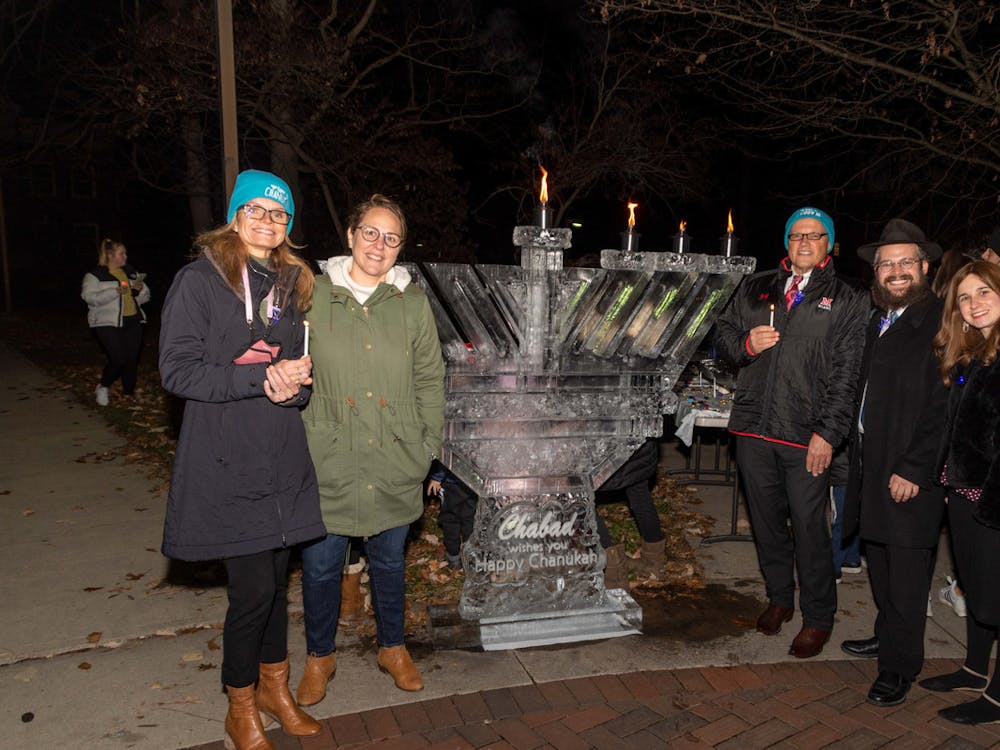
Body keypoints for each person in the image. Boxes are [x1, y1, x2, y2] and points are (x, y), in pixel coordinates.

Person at [159, 169, 326, 750]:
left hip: (281, 452)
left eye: (279, 214)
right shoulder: (199, 281)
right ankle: (239, 704)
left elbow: (298, 369)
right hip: (227, 457)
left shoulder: (288, 284)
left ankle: (276, 690)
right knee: (253, 590)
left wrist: (296, 386)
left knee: (279, 585)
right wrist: (257, 378)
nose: (268, 221)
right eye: (256, 210)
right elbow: (176, 371)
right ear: (235, 215)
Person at [297, 194, 445, 704]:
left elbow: (430, 378)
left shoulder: (412, 304)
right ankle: (320, 656)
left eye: (391, 237)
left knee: (388, 561)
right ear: (351, 235)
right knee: (319, 566)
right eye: (370, 232)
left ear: (401, 248)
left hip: (393, 454)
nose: (378, 245)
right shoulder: (312, 294)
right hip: (328, 456)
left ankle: (392, 646)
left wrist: (425, 446)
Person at [715, 206, 868, 658]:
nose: (804, 242)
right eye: (797, 235)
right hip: (753, 429)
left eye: (815, 236)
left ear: (828, 245)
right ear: (786, 242)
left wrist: (829, 433)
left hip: (807, 436)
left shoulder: (846, 298)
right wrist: (745, 345)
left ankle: (818, 617)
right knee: (765, 524)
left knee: (809, 528)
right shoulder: (755, 286)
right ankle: (780, 598)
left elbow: (848, 374)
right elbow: (720, 337)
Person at [837, 219, 948, 707]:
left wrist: (915, 467)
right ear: (876, 273)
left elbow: (944, 406)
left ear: (924, 267)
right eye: (888, 264)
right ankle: (889, 635)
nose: (897, 271)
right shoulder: (877, 318)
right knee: (880, 561)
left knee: (906, 573)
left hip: (908, 470)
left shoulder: (941, 320)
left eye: (907, 262)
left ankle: (899, 666)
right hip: (872, 461)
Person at [919, 261, 1000, 725]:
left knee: (997, 596)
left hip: (993, 503)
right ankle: (974, 668)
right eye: (965, 297)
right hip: (966, 495)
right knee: (976, 588)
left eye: (985, 292)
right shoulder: (972, 352)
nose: (975, 304)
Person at [81, 238, 151, 405]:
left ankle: (128, 394)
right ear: (109, 255)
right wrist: (116, 291)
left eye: (125, 253)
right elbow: (90, 298)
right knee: (119, 358)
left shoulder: (130, 271)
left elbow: (145, 297)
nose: (125, 256)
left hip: (133, 320)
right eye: (122, 253)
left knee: (131, 359)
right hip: (107, 323)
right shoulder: (95, 275)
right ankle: (103, 386)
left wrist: (139, 291)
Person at [594, 438, 666, 588]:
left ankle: (614, 573)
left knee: (580, 498)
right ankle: (654, 563)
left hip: (603, 450)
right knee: (639, 493)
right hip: (639, 447)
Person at [427, 461, 478, 570]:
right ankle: (461, 557)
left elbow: (445, 452)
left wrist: (437, 476)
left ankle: (462, 556)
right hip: (467, 480)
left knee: (454, 520)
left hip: (455, 481)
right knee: (464, 520)